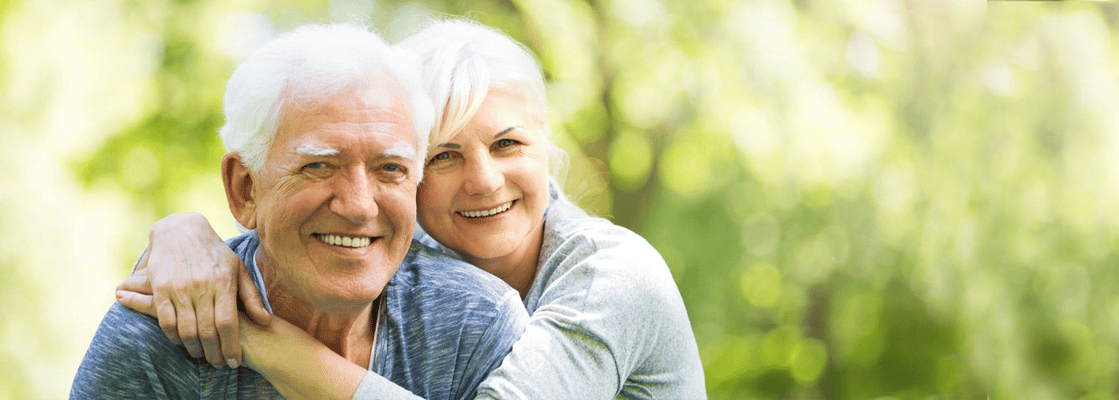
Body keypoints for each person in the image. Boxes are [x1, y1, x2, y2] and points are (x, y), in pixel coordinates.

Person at [115, 20, 707, 398]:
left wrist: (263, 341)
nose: (483, 180)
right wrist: (181, 234)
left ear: (546, 150)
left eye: (509, 144)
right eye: (445, 156)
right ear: (411, 179)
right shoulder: (410, 266)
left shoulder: (613, 278)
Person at [73, 24, 527, 399]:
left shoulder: (476, 325)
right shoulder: (157, 342)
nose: (358, 205)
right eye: (319, 166)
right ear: (245, 189)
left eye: (390, 168)